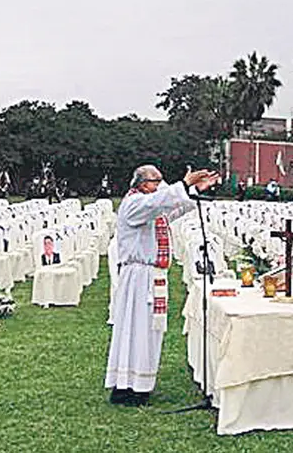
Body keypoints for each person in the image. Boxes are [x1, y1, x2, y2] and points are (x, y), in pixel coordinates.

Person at [105, 164, 218, 407]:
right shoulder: (134, 204)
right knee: (134, 331)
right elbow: (158, 203)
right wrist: (184, 184)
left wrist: (195, 190)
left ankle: (141, 384)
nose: (160, 186)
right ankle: (127, 386)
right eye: (156, 181)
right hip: (137, 277)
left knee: (149, 332)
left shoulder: (150, 207)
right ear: (142, 183)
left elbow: (173, 209)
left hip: (151, 275)